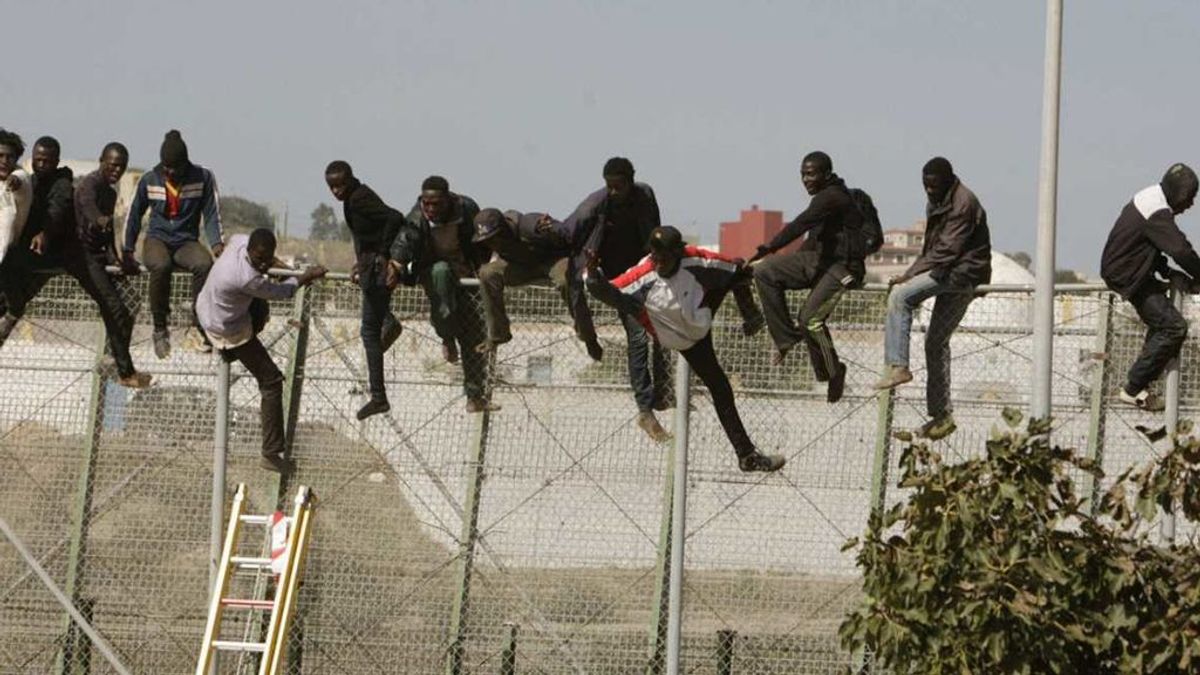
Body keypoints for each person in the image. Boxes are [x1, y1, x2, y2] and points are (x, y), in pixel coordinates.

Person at [585, 226, 785, 472]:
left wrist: (767, 273)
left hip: (700, 317)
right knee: (720, 386)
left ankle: (746, 457)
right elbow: (604, 291)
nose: (659, 264)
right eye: (655, 258)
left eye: (665, 259)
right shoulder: (642, 278)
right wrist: (593, 272)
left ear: (678, 254)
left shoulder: (696, 260)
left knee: (736, 272)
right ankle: (748, 454)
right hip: (681, 338)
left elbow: (735, 268)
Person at [0, 139, 151, 387]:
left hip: (73, 255)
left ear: (57, 161)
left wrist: (114, 255)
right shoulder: (31, 180)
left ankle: (122, 370)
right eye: (38, 160)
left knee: (115, 306)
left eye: (120, 167)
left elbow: (62, 208)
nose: (41, 164)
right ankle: (121, 367)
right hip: (41, 254)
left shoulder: (64, 184)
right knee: (9, 296)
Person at [875, 157, 991, 440]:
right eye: (925, 186)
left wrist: (910, 275)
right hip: (952, 272)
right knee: (936, 343)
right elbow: (931, 246)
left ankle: (898, 366)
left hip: (961, 274)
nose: (929, 191)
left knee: (900, 297)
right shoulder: (938, 199)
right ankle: (942, 416)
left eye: (934, 185)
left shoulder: (963, 203)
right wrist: (912, 271)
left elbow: (947, 250)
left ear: (949, 180)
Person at [196, 228, 327, 474]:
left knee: (259, 306)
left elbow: (265, 263)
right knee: (271, 382)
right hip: (226, 328)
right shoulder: (244, 278)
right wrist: (306, 275)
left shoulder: (239, 241)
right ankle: (271, 452)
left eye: (267, 259)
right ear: (249, 252)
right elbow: (285, 292)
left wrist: (275, 266)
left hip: (210, 307)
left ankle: (229, 349)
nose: (263, 264)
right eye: (259, 260)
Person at [566, 157, 671, 441]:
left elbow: (655, 233)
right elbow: (567, 231)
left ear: (631, 180)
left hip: (642, 274)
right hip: (613, 281)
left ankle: (663, 393)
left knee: (663, 327)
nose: (614, 192)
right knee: (638, 336)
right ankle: (645, 411)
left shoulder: (645, 195)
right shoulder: (596, 204)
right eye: (609, 186)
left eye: (619, 186)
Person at [752, 151, 864, 403]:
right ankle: (784, 339)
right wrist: (784, 264)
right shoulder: (823, 199)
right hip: (819, 261)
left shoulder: (832, 197)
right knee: (764, 270)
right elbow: (809, 239)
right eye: (803, 174)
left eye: (811, 174)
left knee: (810, 320)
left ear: (826, 174)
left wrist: (770, 246)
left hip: (842, 268)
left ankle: (834, 371)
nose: (806, 179)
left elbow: (799, 224)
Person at [389, 175, 497, 413]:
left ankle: (474, 396)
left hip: (466, 275)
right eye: (426, 204)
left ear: (448, 200)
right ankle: (447, 338)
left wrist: (482, 266)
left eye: (435, 204)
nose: (430, 209)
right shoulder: (418, 216)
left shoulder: (466, 209)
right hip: (434, 272)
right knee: (441, 276)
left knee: (475, 334)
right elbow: (406, 239)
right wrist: (396, 265)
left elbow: (483, 239)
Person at [1099, 163, 1200, 412]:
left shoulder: (1151, 199)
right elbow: (1179, 249)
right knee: (1173, 327)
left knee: (1163, 321)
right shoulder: (1155, 209)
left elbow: (1151, 246)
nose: (1190, 205)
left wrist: (1170, 272)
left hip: (1134, 269)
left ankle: (1139, 385)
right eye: (1189, 198)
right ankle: (1133, 388)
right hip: (1129, 275)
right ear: (1178, 192)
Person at [122, 129, 224, 359]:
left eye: (174, 167)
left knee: (204, 264)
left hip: (186, 240)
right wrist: (127, 248)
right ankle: (160, 328)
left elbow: (211, 214)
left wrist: (217, 243)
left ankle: (199, 326)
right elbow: (134, 215)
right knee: (160, 266)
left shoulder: (203, 178)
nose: (169, 172)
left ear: (185, 163)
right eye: (165, 167)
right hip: (157, 238)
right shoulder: (150, 179)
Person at [323, 161, 404, 420]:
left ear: (350, 180)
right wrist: (361, 262)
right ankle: (388, 325)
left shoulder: (358, 198)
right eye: (332, 187)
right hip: (370, 267)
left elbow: (394, 217)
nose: (336, 191)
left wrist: (383, 255)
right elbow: (366, 233)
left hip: (377, 266)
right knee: (372, 328)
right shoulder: (352, 198)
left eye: (340, 185)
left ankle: (379, 397)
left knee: (369, 331)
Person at [472, 208, 601, 359]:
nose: (492, 244)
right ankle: (497, 335)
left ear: (504, 229)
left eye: (494, 238)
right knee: (487, 274)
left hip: (553, 261)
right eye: (487, 241)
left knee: (566, 280)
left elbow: (564, 234)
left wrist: (549, 231)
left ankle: (588, 337)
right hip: (522, 266)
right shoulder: (491, 244)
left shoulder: (529, 225)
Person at [0, 128, 32, 280]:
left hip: (8, 255)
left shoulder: (20, 177)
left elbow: (19, 180)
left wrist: (14, 181)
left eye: (9, 157)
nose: (4, 162)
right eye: (0, 156)